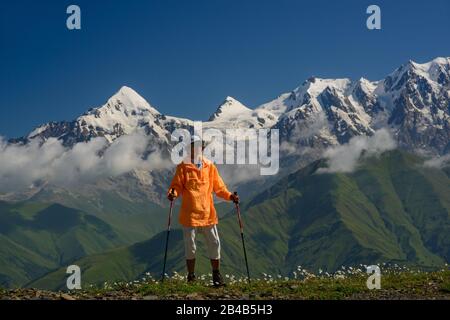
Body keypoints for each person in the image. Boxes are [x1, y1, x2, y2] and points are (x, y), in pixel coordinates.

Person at [167, 135, 239, 286]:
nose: (199, 148)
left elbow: (219, 188)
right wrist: (172, 193)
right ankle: (191, 277)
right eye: (196, 145)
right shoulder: (183, 167)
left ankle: (216, 276)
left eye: (201, 146)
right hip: (190, 214)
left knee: (214, 243)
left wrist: (230, 196)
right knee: (190, 247)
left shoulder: (209, 166)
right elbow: (177, 185)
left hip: (207, 214)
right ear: (190, 148)